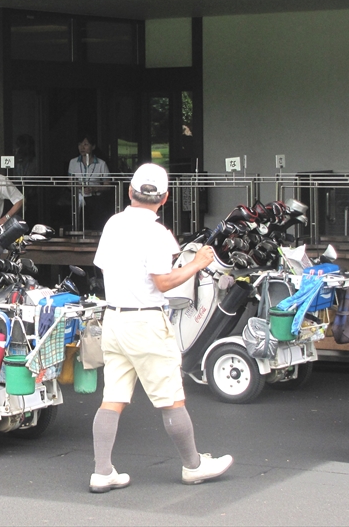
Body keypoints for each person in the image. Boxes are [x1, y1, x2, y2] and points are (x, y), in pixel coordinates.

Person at [89, 163, 232, 493]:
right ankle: (193, 466)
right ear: (165, 198)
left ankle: (102, 471)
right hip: (146, 322)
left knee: (112, 398)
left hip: (114, 319)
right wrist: (197, 263)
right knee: (171, 398)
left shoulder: (113, 224)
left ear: (130, 192)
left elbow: (104, 268)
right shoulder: (157, 234)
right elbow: (163, 282)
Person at [68, 134, 111, 231]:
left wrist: (94, 188)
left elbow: (108, 185)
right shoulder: (73, 162)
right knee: (77, 225)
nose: (82, 147)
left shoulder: (101, 163)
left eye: (86, 144)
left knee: (94, 226)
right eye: (80, 144)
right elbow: (69, 183)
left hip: (95, 199)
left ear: (93, 146)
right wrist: (79, 187)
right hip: (78, 198)